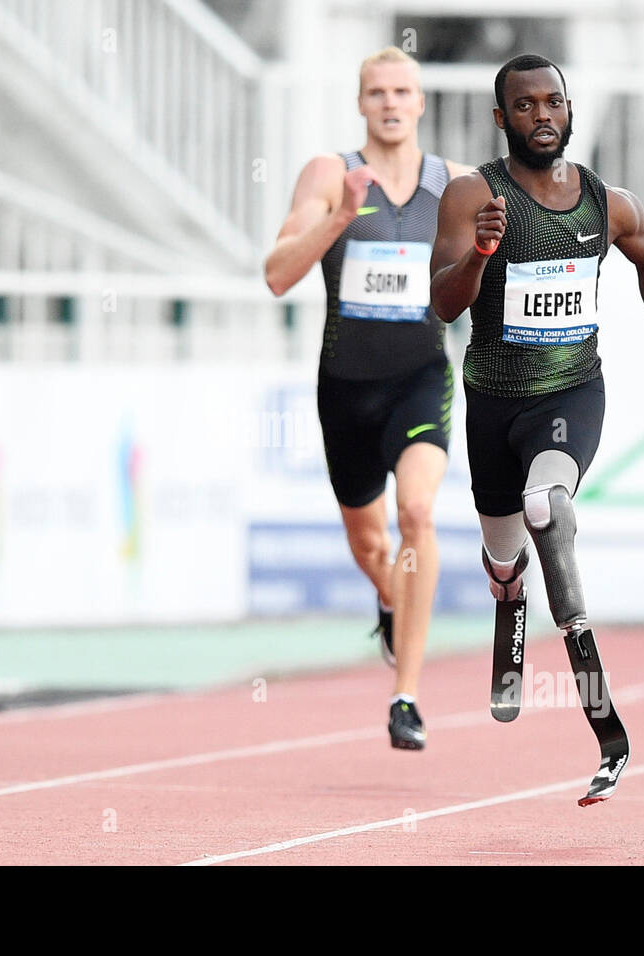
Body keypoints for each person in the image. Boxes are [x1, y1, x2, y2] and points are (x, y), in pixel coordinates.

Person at [430, 54, 644, 803]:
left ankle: (601, 714)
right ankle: (509, 603)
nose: (541, 115)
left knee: (549, 506)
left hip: (571, 394)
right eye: (525, 105)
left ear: (570, 111)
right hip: (492, 402)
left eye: (553, 102)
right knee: (504, 553)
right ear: (500, 117)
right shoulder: (473, 194)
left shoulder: (607, 203)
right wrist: (481, 255)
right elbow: (444, 305)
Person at [265, 47, 470, 750]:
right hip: (345, 390)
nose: (389, 102)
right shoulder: (330, 174)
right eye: (376, 91)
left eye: (402, 90)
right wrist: (337, 219)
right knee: (370, 541)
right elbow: (275, 274)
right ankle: (389, 595)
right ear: (360, 103)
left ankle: (406, 695)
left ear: (420, 102)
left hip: (421, 377)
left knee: (417, 513)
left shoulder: (456, 184)